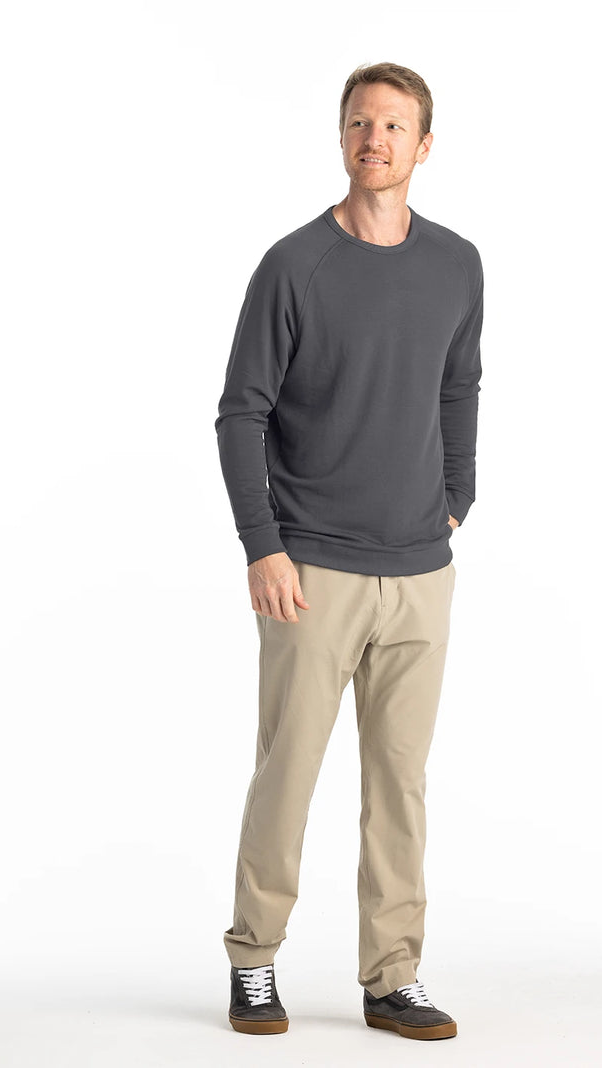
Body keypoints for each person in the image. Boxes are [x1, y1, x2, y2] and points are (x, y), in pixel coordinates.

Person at [214, 60, 483, 1041]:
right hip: (311, 570)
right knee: (287, 772)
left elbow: (460, 383)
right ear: (341, 138)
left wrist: (457, 494)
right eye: (361, 123)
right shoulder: (294, 266)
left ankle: (391, 977)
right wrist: (263, 545)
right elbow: (240, 413)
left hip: (420, 572)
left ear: (423, 146)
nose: (376, 140)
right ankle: (253, 960)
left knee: (399, 787)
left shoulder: (457, 264)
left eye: (395, 126)